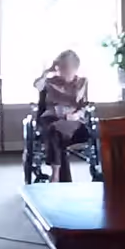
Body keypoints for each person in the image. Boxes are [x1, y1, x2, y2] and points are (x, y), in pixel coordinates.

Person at [33, 51, 91, 182]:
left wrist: (76, 115)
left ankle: (56, 175)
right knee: (54, 129)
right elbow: (37, 85)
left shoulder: (82, 82)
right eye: (60, 67)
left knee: (55, 131)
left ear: (74, 68)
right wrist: (47, 71)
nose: (62, 71)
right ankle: (57, 174)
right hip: (50, 118)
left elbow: (84, 106)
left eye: (66, 67)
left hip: (71, 120)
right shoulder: (50, 81)